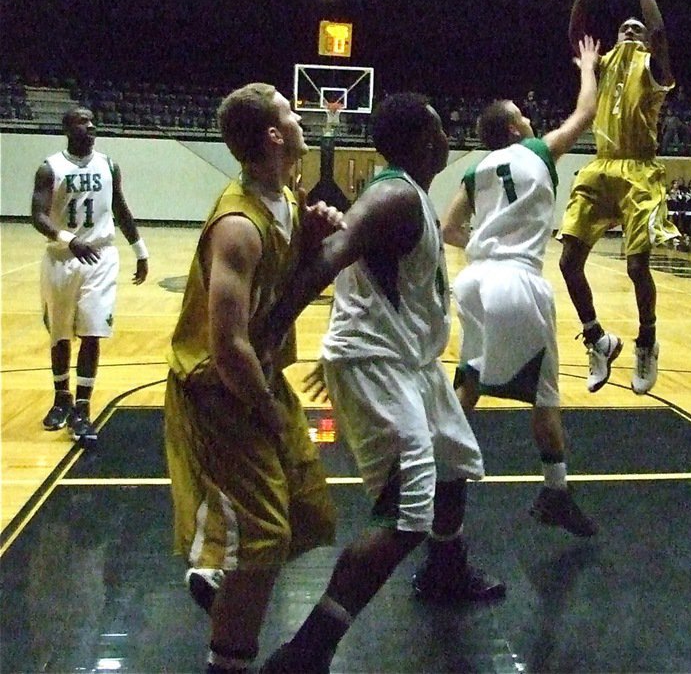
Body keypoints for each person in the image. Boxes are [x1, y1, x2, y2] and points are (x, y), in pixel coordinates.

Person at [258, 94, 504, 674]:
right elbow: (330, 257)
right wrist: (269, 333)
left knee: (455, 461)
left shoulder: (409, 194)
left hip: (411, 362)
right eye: (442, 129)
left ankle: (446, 572)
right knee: (407, 509)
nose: (448, 138)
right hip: (380, 364)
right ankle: (308, 650)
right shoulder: (392, 196)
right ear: (426, 142)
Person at [163, 83, 342, 674]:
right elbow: (226, 342)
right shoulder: (238, 224)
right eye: (291, 112)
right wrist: (266, 408)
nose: (301, 117)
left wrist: (313, 244)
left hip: (259, 375)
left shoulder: (286, 198)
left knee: (309, 514)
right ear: (272, 134)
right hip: (221, 387)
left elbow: (284, 298)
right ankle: (229, 659)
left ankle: (221, 570)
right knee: (264, 541)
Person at [440, 37, 601, 538]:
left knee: (470, 380)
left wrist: (485, 243)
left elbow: (448, 231)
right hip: (518, 280)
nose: (530, 120)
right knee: (544, 396)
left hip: (474, 281)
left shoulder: (473, 169)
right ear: (514, 129)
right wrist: (589, 67)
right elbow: (586, 113)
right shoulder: (533, 149)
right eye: (522, 116)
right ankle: (556, 491)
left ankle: (438, 469)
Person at [559, 0, 679, 397]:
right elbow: (577, 36)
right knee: (570, 261)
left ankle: (646, 340)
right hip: (600, 168)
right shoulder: (604, 64)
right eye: (624, 28)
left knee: (636, 265)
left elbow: (661, 33)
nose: (630, 30)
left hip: (639, 173)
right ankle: (597, 339)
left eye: (637, 28)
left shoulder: (654, 70)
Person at [32, 106, 149, 446]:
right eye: (82, 122)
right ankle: (61, 398)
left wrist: (140, 251)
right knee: (59, 335)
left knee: (93, 330)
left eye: (92, 121)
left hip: (100, 256)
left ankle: (82, 409)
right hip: (60, 257)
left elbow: (120, 208)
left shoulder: (109, 165)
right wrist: (70, 240)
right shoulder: (50, 168)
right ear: (67, 128)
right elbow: (37, 215)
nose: (91, 126)